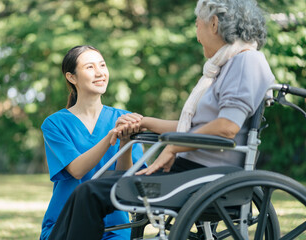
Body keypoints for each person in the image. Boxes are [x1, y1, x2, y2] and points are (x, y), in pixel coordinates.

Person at [47, 0, 275, 239]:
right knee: (88, 190)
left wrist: (173, 147)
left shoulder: (246, 61)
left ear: (214, 24)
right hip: (193, 171)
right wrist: (145, 122)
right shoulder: (229, 65)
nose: (197, 36)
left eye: (198, 25)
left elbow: (226, 128)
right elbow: (198, 127)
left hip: (203, 175)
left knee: (90, 192)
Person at [39, 45, 146, 240]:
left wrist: (125, 144)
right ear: (71, 77)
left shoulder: (125, 118)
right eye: (90, 67)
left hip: (116, 225)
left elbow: (126, 179)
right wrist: (109, 137)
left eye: (102, 65)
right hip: (67, 223)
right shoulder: (54, 124)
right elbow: (77, 170)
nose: (100, 73)